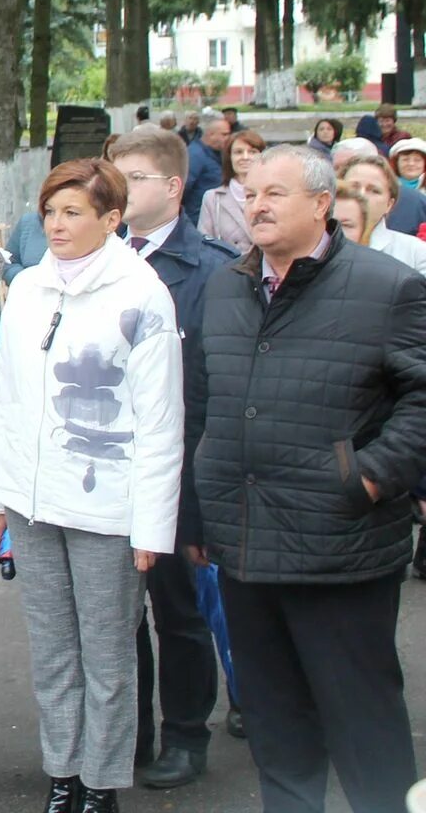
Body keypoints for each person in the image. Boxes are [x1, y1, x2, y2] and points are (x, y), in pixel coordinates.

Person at [185, 143, 426, 813]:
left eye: (274, 194)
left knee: (364, 728)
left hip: (340, 547)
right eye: (250, 194)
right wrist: (197, 513)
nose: (256, 206)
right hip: (245, 545)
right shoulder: (227, 286)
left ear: (322, 204)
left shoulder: (387, 287)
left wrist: (370, 478)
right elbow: (202, 405)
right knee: (277, 727)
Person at [0, 159, 184, 813]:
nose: (58, 225)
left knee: (107, 658)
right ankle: (62, 772)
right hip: (35, 503)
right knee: (52, 652)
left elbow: (159, 421)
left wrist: (151, 526)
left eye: (74, 212)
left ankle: (101, 782)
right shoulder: (31, 290)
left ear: (111, 218)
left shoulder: (142, 294)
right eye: (50, 212)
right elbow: (7, 399)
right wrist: (0, 496)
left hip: (108, 506)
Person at [110, 128, 237, 789]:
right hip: (105, 472)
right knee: (116, 617)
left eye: (132, 178)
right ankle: (128, 733)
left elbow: (219, 389)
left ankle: (187, 736)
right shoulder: (95, 259)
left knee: (179, 613)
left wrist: (206, 499)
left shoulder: (211, 270)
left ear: (172, 187)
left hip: (181, 473)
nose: (118, 190)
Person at [338, 155, 426, 274]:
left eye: (374, 190)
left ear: (389, 204)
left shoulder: (416, 252)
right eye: (353, 187)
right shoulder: (313, 244)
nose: (361, 195)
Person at [196, 128, 264, 252]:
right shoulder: (212, 198)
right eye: (238, 152)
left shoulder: (274, 196)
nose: (245, 157)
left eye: (252, 152)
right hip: (229, 268)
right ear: (229, 157)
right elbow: (204, 245)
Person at [183, 117, 230, 225]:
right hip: (197, 220)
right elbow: (183, 188)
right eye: (224, 134)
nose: (228, 138)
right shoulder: (195, 155)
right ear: (211, 134)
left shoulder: (217, 153)